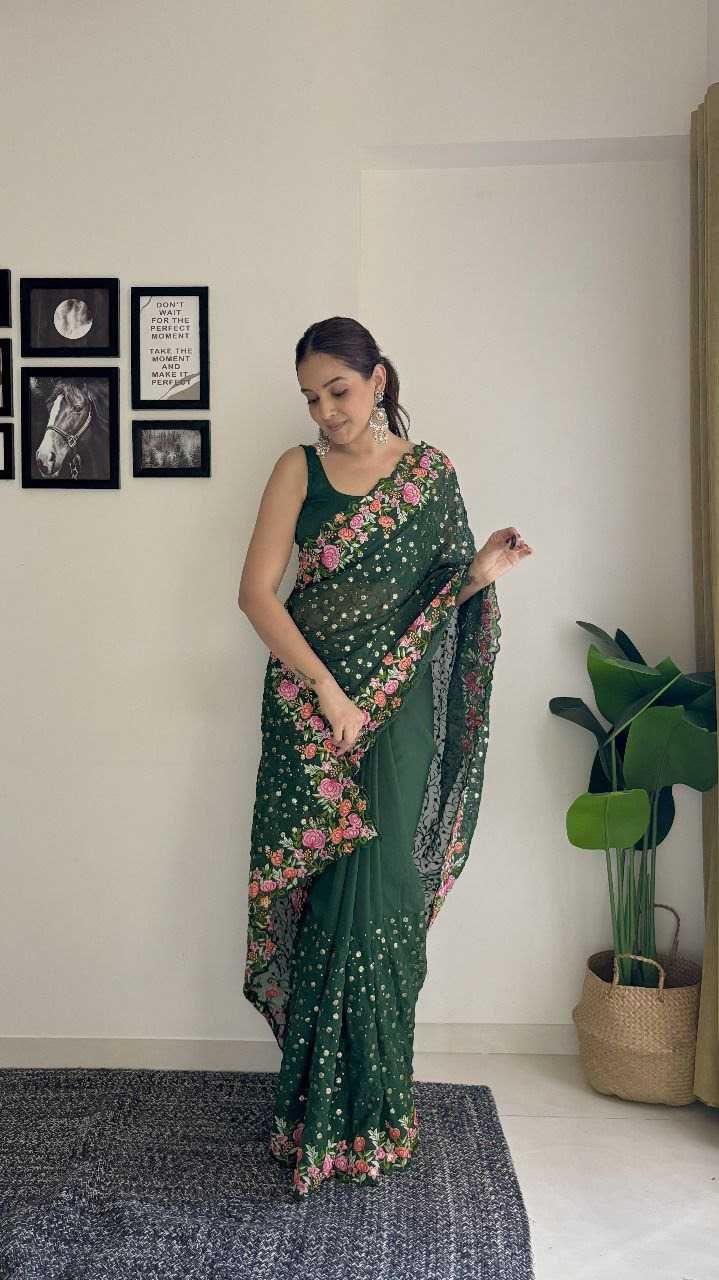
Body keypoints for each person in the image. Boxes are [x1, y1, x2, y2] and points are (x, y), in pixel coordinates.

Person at [237, 316, 533, 1198]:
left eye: (338, 390)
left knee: (386, 900)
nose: (325, 411)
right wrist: (329, 694)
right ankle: (313, 1119)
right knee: (328, 902)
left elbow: (435, 603)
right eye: (311, 398)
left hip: (397, 717)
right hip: (311, 715)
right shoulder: (296, 469)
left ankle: (375, 1115)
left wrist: (480, 572)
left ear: (377, 380)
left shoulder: (431, 476)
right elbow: (256, 595)